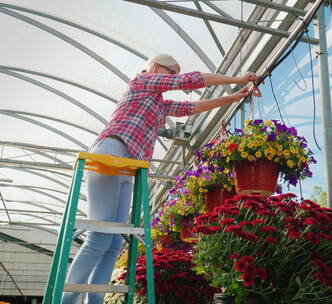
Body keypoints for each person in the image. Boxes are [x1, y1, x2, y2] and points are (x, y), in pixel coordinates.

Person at [61, 54, 261, 304]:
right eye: (171, 73)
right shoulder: (141, 82)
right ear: (155, 68)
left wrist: (235, 96)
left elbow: (193, 108)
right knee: (99, 237)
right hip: (111, 153)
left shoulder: (157, 104)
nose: (174, 80)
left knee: (113, 245)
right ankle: (65, 300)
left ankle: (94, 302)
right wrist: (237, 78)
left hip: (129, 167)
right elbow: (191, 81)